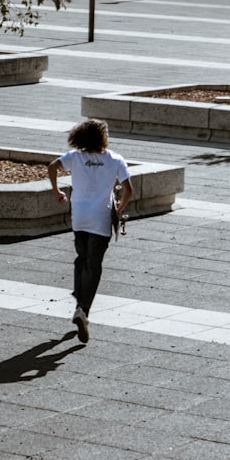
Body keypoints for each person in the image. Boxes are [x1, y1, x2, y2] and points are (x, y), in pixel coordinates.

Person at [48, 119, 133, 344]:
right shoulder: (115, 159)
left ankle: (78, 299)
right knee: (94, 265)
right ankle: (83, 309)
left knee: (81, 259)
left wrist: (57, 191)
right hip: (100, 218)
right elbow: (129, 190)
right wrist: (120, 207)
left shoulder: (75, 157)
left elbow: (51, 166)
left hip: (79, 216)